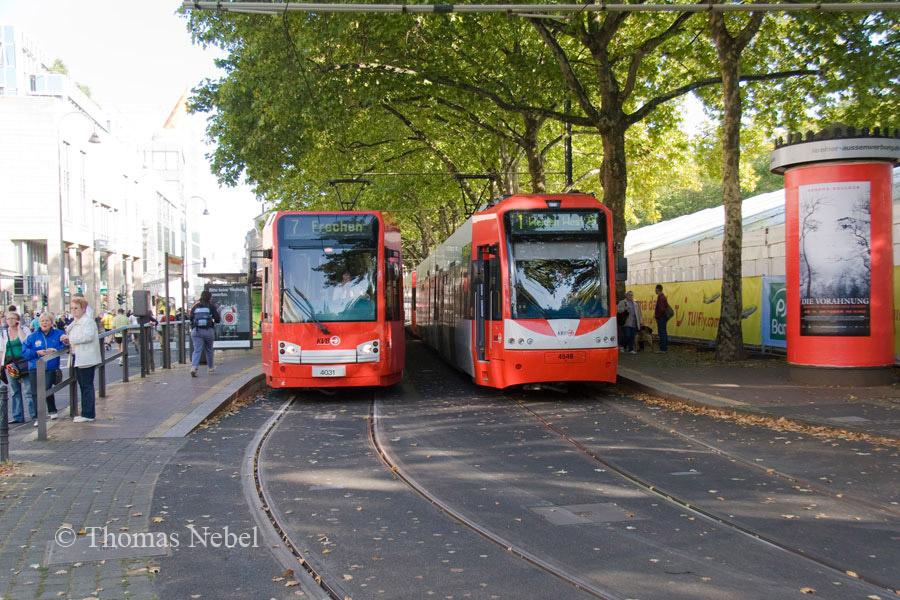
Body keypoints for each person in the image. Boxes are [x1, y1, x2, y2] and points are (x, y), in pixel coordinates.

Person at [22, 312, 67, 424]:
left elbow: (66, 345)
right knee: (35, 392)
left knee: (46, 388)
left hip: (50, 367)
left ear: (51, 323)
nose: (44, 323)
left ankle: (52, 410)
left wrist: (55, 349)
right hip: (34, 367)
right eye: (42, 321)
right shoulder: (32, 337)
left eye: (47, 321)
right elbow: (24, 352)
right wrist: (36, 352)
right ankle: (38, 417)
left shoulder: (58, 334)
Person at [61, 297, 101, 423]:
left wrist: (70, 339)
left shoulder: (88, 321)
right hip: (77, 357)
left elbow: (88, 336)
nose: (73, 310)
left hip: (85, 358)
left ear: (83, 309)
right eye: (72, 308)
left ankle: (88, 414)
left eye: (76, 308)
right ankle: (86, 412)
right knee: (83, 385)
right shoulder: (75, 322)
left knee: (86, 385)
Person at [1, 311, 32, 424]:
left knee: (28, 390)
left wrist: (19, 328)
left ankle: (34, 415)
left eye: (12, 318)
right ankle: (18, 416)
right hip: (10, 365)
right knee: (14, 391)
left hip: (23, 363)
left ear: (18, 319)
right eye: (8, 318)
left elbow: (26, 341)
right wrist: (2, 365)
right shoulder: (4, 333)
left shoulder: (24, 330)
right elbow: (2, 349)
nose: (10, 321)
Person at [189, 290, 221, 377]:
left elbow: (191, 318)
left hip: (196, 331)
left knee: (197, 350)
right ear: (209, 298)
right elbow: (217, 319)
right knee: (209, 349)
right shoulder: (211, 307)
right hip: (208, 331)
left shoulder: (195, 307)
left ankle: (194, 367)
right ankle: (210, 368)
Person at [616, 290, 642, 354]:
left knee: (632, 336)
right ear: (626, 296)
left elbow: (639, 313)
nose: (631, 296)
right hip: (626, 322)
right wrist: (624, 308)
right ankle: (622, 345)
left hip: (634, 322)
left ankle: (631, 349)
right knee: (627, 335)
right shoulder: (622, 302)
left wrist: (640, 321)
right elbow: (618, 310)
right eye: (629, 295)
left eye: (632, 295)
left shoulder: (635, 304)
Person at [654, 284, 670, 354]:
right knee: (663, 332)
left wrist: (658, 316)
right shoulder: (663, 297)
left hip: (661, 318)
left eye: (655, 289)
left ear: (658, 289)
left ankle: (662, 349)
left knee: (662, 333)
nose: (655, 290)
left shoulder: (660, 298)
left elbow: (661, 309)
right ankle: (664, 348)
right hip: (663, 317)